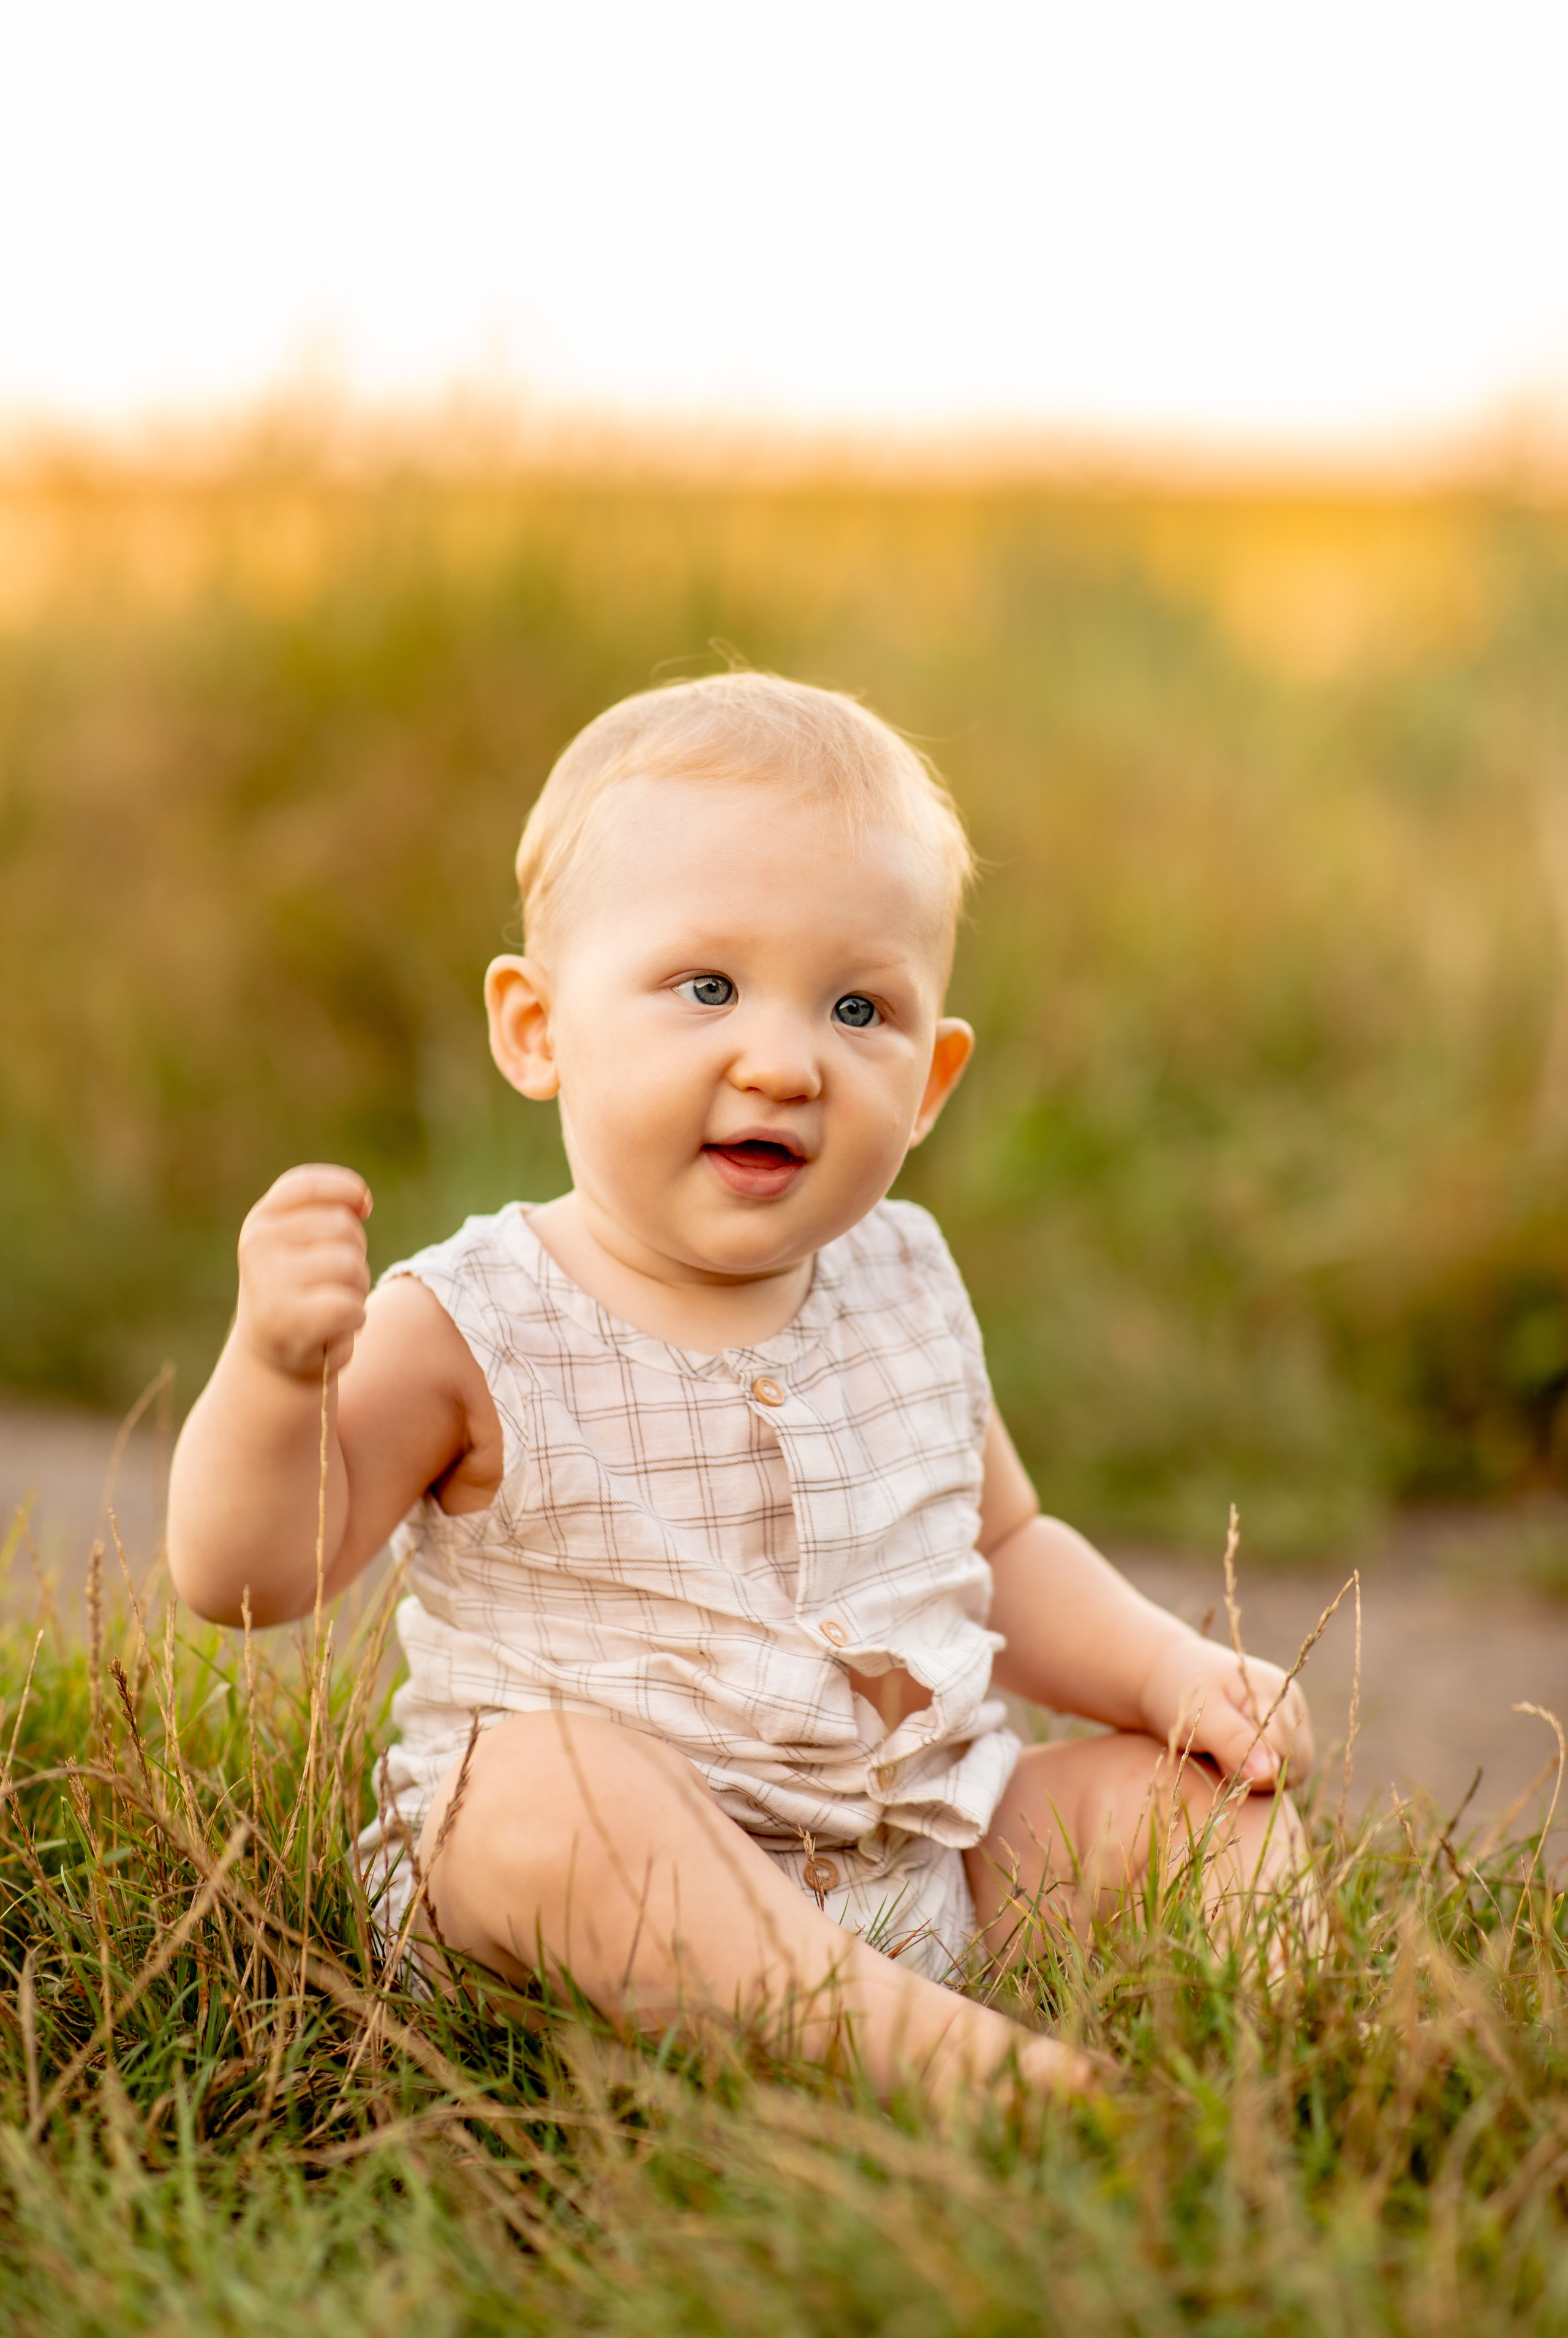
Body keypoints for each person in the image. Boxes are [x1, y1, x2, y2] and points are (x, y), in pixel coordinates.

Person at [167, 672, 1314, 2105]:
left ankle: (1310, 2064)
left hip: (919, 1872)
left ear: (933, 1081)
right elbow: (249, 1582)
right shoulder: (470, 1321)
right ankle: (963, 2079)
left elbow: (1002, 1549)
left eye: (857, 1008)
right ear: (537, 1030)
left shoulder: (901, 1278)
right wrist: (275, 1376)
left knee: (1186, 1807)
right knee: (544, 1796)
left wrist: (1160, 1671)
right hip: (595, 1909)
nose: (782, 1062)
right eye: (705, 987)